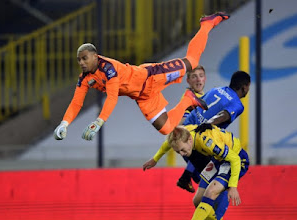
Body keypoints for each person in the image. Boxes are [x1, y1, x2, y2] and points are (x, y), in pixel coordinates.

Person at [53, 12, 230, 141]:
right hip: (142, 96)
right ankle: (188, 99)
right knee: (167, 128)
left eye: (84, 58)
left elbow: (112, 97)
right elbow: (76, 102)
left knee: (192, 61)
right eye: (79, 60)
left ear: (95, 56)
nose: (82, 63)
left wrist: (99, 121)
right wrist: (64, 123)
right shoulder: (84, 78)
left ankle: (207, 24)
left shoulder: (108, 68)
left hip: (152, 76)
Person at [143, 70, 251, 193]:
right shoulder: (238, 104)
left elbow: (198, 103)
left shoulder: (216, 89)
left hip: (187, 127)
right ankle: (191, 180)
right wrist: (209, 123)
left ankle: (188, 176)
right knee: (213, 184)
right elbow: (224, 115)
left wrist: (155, 159)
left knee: (204, 175)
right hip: (200, 136)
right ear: (245, 87)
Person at [167, 124, 249, 220]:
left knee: (210, 193)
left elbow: (234, 159)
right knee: (197, 200)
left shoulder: (208, 143)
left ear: (190, 140)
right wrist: (155, 158)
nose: (182, 154)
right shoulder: (185, 135)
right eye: (178, 152)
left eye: (183, 150)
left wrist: (233, 186)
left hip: (235, 159)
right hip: (218, 160)